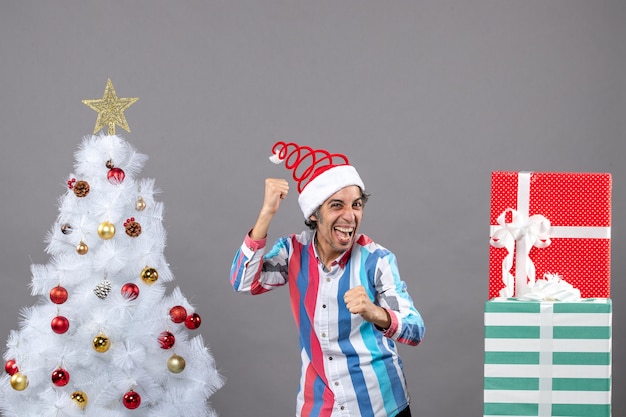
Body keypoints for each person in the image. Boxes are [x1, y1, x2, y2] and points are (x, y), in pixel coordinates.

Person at [230, 141, 425, 417]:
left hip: (380, 406)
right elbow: (243, 282)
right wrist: (266, 214)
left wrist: (375, 312)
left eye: (356, 205)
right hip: (319, 407)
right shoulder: (292, 252)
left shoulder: (376, 259)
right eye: (337, 205)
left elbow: (415, 329)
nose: (350, 216)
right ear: (313, 213)